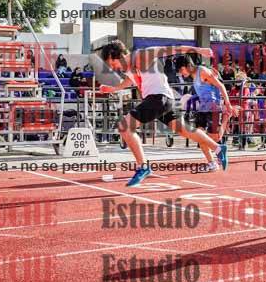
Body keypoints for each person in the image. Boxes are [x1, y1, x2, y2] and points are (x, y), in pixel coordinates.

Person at [96, 40, 224, 186]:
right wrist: (112, 89)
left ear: (116, 55)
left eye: (112, 64)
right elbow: (129, 81)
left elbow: (173, 48)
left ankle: (143, 167)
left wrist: (199, 50)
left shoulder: (143, 54)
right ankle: (218, 148)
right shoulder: (128, 67)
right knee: (184, 130)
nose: (113, 68)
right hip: (162, 100)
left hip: (159, 97)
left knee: (125, 126)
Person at [173, 54, 239, 159]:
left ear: (189, 65)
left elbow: (221, 86)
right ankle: (211, 162)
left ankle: (226, 117)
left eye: (181, 70)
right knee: (200, 137)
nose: (181, 73)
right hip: (202, 107)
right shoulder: (193, 75)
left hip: (213, 106)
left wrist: (228, 104)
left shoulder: (203, 71)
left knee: (216, 138)